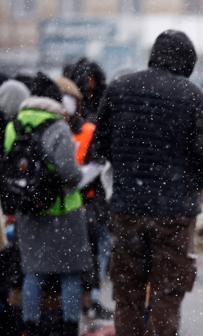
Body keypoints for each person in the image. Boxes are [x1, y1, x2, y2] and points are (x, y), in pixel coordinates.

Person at [92, 30, 203, 336]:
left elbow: (100, 146)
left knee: (128, 294)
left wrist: (131, 170)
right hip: (173, 213)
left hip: (127, 209)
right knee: (168, 294)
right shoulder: (192, 96)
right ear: (187, 61)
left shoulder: (119, 89)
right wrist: (190, 181)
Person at [4, 73, 93, 336]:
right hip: (63, 211)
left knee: (33, 274)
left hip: (28, 211)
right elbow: (69, 172)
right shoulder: (57, 127)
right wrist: (82, 174)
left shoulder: (13, 126)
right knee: (69, 275)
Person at [56, 76, 114, 321]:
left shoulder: (88, 131)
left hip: (87, 204)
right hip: (63, 205)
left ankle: (90, 301)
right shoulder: (52, 131)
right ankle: (79, 307)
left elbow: (99, 164)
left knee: (89, 257)